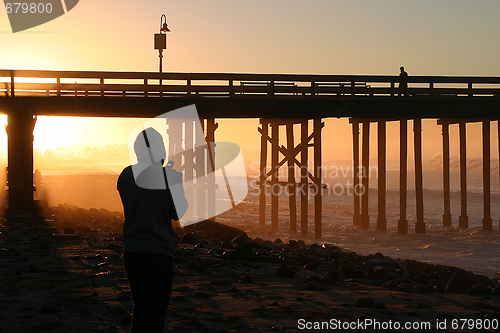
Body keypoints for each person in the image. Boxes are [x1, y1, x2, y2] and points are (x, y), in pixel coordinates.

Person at [117, 127, 188, 333]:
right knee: (155, 315)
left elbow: (134, 205)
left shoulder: (126, 175)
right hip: (158, 253)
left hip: (131, 251)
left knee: (140, 309)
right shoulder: (168, 176)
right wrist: (177, 185)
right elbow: (178, 212)